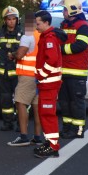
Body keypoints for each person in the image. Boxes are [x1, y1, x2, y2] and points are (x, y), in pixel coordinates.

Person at [58, 0, 88, 139]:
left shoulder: (84, 27)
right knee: (64, 103)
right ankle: (67, 128)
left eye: (65, 9)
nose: (63, 12)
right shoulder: (64, 25)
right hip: (64, 72)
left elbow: (80, 45)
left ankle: (78, 130)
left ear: (72, 10)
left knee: (76, 103)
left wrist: (60, 49)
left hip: (77, 72)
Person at [7, 14, 44, 146]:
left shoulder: (27, 36)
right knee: (36, 107)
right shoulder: (41, 35)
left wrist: (12, 55)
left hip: (27, 76)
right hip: (39, 75)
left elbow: (21, 53)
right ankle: (37, 137)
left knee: (20, 103)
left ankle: (23, 136)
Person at [33, 10, 65, 158]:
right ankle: (50, 141)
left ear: (46, 23)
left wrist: (41, 74)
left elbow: (51, 61)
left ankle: (53, 146)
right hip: (47, 83)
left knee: (47, 114)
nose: (36, 26)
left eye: (38, 23)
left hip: (48, 83)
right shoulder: (47, 36)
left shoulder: (49, 38)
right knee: (44, 113)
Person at [0, 6, 23, 131]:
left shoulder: (22, 33)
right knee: (5, 99)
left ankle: (21, 124)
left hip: (17, 72)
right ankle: (8, 122)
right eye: (8, 19)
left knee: (20, 100)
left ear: (17, 20)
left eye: (13, 19)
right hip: (3, 73)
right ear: (5, 20)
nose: (11, 21)